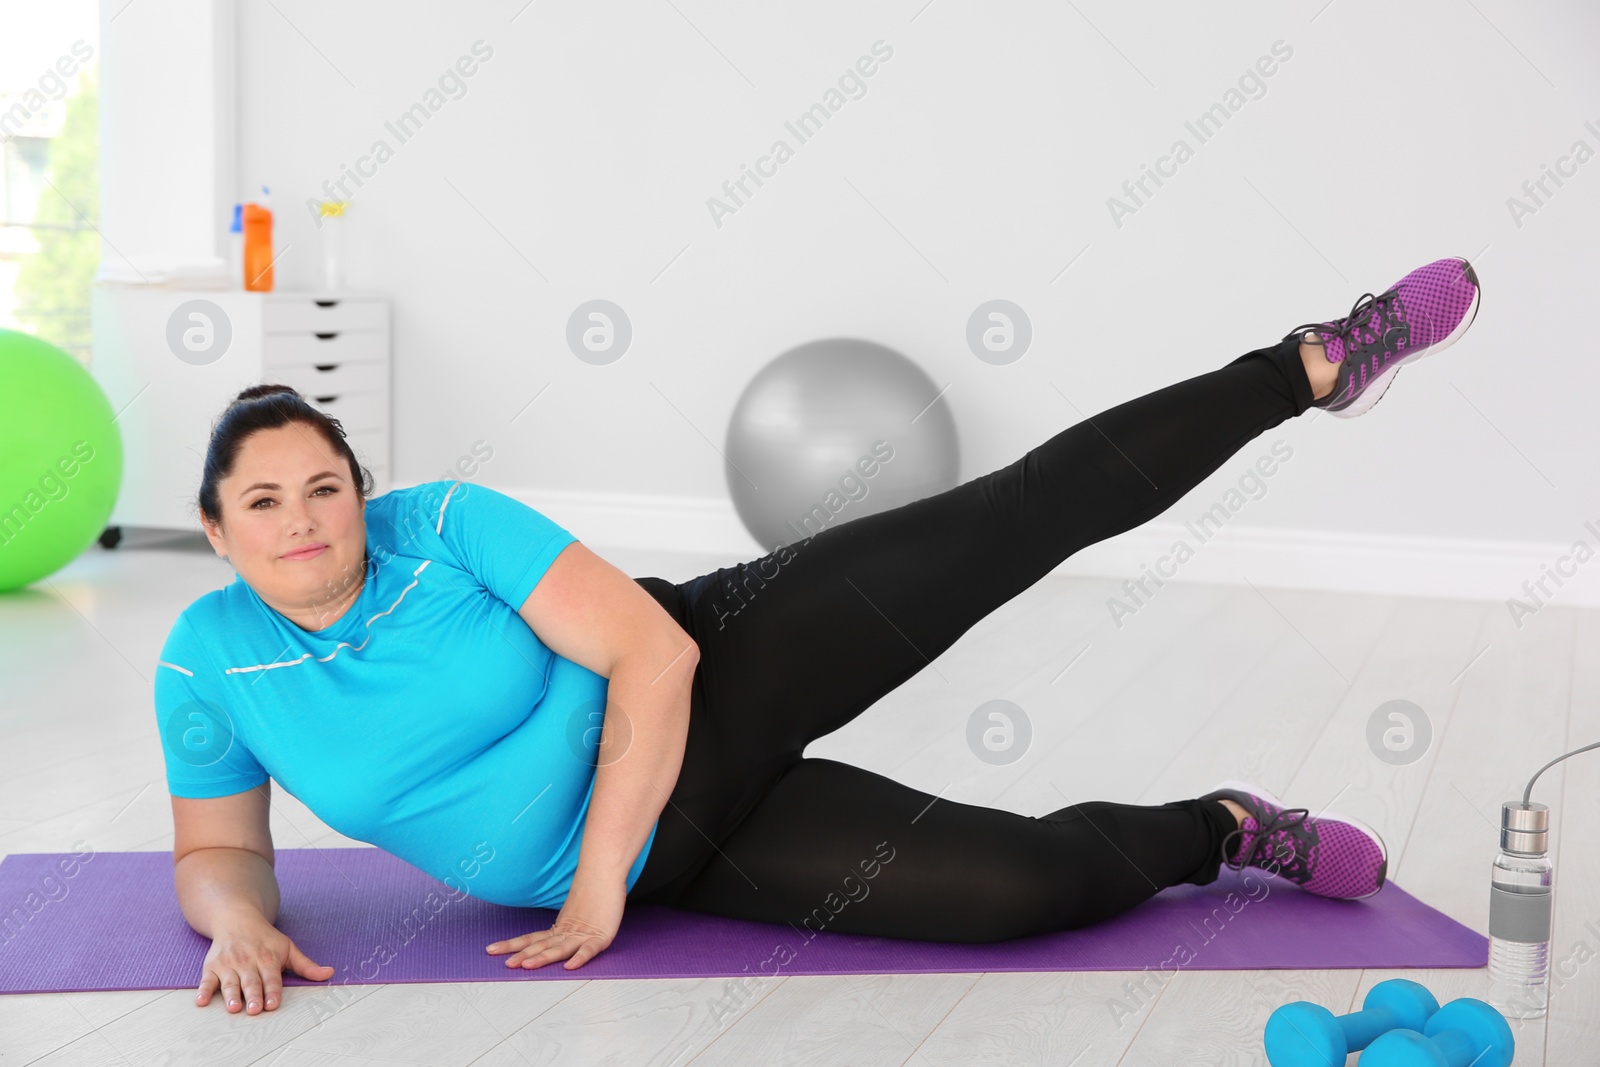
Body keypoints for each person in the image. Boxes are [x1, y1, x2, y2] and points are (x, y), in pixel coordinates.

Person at [156, 256, 1480, 1016]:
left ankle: (1306, 365)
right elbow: (219, 846)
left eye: (325, 486)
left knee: (1009, 522)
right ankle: (1227, 829)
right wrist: (234, 925)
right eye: (264, 503)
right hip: (685, 848)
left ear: (360, 486)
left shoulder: (440, 523)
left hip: (718, 668)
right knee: (1022, 894)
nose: (305, 522)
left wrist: (598, 887)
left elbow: (653, 660)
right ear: (215, 530)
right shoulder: (207, 666)